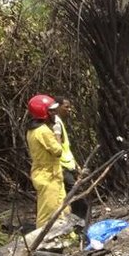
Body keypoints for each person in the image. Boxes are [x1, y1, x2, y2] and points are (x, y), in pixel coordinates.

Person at [26, 94, 66, 228]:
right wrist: (57, 134)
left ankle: (63, 238)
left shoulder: (32, 130)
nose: (54, 113)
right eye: (52, 111)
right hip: (47, 175)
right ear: (43, 112)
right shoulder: (43, 131)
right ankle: (42, 242)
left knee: (62, 209)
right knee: (47, 212)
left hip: (51, 173)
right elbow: (58, 151)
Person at [50, 96, 87, 218]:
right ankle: (78, 224)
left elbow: (66, 149)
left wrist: (76, 165)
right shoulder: (56, 123)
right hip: (63, 167)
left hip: (68, 166)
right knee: (76, 197)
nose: (69, 109)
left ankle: (78, 223)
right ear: (58, 107)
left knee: (76, 196)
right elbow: (58, 148)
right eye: (66, 107)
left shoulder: (59, 122)